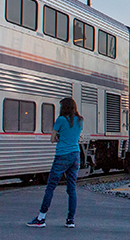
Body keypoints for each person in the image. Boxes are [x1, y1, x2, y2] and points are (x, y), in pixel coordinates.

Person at [27, 97, 84, 228]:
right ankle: (70, 220)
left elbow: (52, 138)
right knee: (72, 189)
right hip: (75, 155)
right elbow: (74, 136)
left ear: (64, 107)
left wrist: (59, 137)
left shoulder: (61, 120)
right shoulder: (80, 121)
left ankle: (41, 218)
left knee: (51, 187)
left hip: (62, 156)